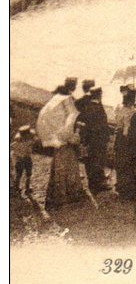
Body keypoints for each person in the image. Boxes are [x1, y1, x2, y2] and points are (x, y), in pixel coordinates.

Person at [31, 77, 81, 214]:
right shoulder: (67, 100)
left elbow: (50, 118)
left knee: (59, 167)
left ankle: (57, 196)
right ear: (74, 86)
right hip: (64, 140)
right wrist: (69, 136)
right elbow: (70, 120)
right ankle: (63, 197)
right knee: (65, 168)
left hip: (58, 139)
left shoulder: (57, 99)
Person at [76, 85, 111, 192]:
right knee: (97, 161)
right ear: (99, 94)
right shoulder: (96, 107)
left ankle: (94, 184)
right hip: (98, 139)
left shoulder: (88, 106)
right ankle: (97, 185)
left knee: (92, 162)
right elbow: (100, 124)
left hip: (91, 140)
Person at [112, 84, 136, 196]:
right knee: (127, 163)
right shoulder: (131, 112)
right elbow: (127, 130)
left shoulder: (119, 108)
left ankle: (120, 186)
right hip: (125, 138)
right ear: (132, 100)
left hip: (118, 137)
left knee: (120, 162)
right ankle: (127, 188)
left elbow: (118, 123)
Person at [11, 126, 34, 198]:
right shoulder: (29, 143)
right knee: (28, 174)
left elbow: (13, 149)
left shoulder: (14, 144)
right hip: (26, 159)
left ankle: (16, 187)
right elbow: (29, 151)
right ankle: (27, 188)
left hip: (19, 160)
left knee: (19, 174)